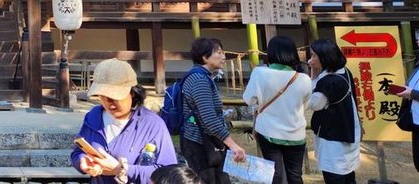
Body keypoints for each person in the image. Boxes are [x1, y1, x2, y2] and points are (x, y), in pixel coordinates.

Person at [72, 58, 177, 184]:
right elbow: (78, 151)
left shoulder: (152, 124)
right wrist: (82, 161)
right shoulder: (93, 117)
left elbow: (168, 173)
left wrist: (121, 170)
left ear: (132, 93)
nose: (109, 103)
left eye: (115, 97)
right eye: (103, 97)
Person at [243, 36, 312, 184]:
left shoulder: (259, 73)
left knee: (274, 174)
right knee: (295, 176)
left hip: (268, 132)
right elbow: (305, 106)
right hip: (295, 134)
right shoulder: (304, 78)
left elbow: (249, 100)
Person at [180, 37, 247, 184]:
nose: (224, 57)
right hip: (200, 143)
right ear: (205, 57)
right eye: (219, 53)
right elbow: (209, 119)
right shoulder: (198, 79)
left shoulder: (203, 77)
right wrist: (233, 145)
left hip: (206, 141)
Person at [308, 39, 361, 184]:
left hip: (334, 137)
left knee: (335, 176)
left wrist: (313, 75)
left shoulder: (330, 81)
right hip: (349, 130)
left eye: (313, 56)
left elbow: (314, 104)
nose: (310, 60)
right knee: (348, 175)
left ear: (324, 57)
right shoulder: (344, 72)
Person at [390, 29, 419, 172]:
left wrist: (412, 93)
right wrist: (404, 91)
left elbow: (413, 92)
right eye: (417, 38)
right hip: (416, 121)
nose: (418, 41)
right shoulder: (418, 63)